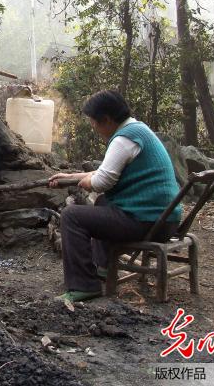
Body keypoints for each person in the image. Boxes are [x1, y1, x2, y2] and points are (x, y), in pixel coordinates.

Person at [48, 90, 182, 304]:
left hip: (148, 222)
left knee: (72, 216)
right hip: (164, 220)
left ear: (107, 120)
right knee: (103, 203)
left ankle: (84, 285)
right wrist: (71, 176)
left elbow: (102, 181)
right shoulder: (138, 130)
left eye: (94, 123)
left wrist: (85, 182)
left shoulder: (123, 139)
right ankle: (103, 267)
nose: (93, 127)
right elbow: (107, 171)